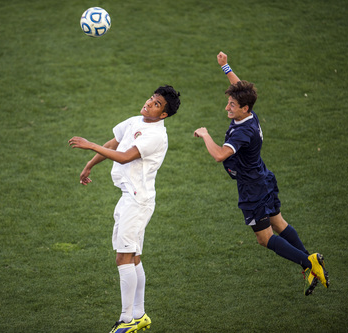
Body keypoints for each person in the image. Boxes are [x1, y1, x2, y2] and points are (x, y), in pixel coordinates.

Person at [193, 51, 329, 295]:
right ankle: (310, 264)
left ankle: (309, 263)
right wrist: (226, 67)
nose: (227, 108)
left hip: (252, 187)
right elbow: (239, 88)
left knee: (264, 238)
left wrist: (205, 134)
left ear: (244, 108)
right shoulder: (250, 113)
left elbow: (219, 155)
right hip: (263, 176)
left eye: (232, 106)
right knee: (278, 222)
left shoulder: (242, 133)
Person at [69, 85, 181, 332]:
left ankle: (126, 320)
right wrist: (90, 164)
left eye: (156, 104)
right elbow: (115, 143)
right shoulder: (134, 121)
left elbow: (124, 156)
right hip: (129, 198)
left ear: (163, 114)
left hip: (138, 201)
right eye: (151, 99)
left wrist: (90, 145)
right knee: (134, 257)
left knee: (123, 257)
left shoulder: (156, 136)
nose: (149, 103)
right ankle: (139, 315)